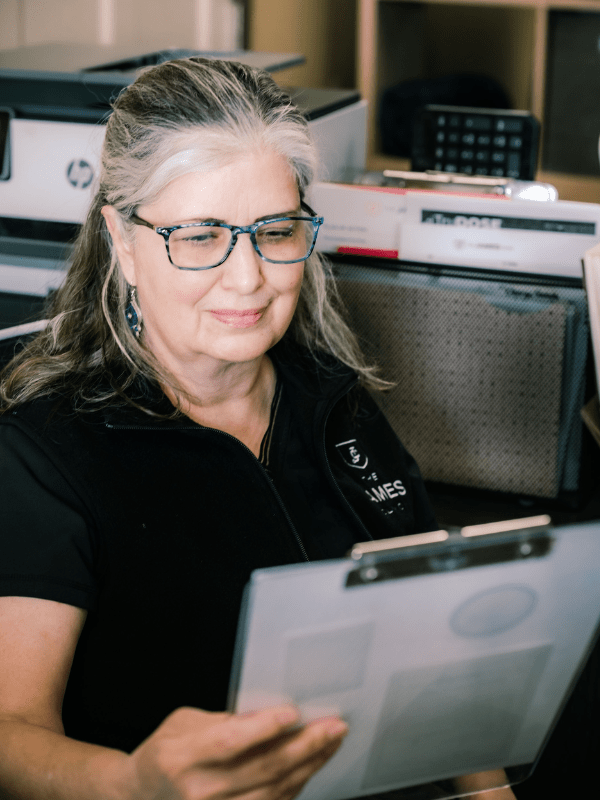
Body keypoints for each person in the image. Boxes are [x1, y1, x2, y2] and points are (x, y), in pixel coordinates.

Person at [0, 57, 510, 800]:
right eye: (202, 236)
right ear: (122, 240)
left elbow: (431, 633)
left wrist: (490, 793)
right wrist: (135, 784)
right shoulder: (45, 452)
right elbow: (12, 733)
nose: (248, 279)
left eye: (274, 231)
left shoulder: (332, 396)